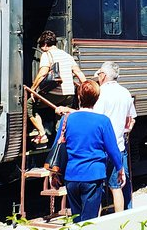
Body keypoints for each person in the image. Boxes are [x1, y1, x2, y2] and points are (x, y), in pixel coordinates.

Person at [53, 80, 125, 222]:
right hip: (93, 177)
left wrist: (54, 173)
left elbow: (57, 147)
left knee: (77, 219)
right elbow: (113, 149)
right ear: (97, 99)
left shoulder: (66, 119)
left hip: (71, 177)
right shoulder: (102, 121)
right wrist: (120, 168)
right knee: (90, 222)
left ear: (79, 97)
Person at [27, 30, 87, 144]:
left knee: (30, 104)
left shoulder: (47, 54)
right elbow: (79, 73)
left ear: (45, 44)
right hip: (69, 94)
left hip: (54, 94)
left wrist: (33, 89)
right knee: (62, 115)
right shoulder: (67, 55)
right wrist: (87, 89)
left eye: (41, 45)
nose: (40, 48)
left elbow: (42, 74)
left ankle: (42, 134)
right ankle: (60, 140)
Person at [93, 61, 137, 212]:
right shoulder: (125, 92)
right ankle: (121, 222)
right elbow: (131, 120)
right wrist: (124, 131)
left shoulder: (100, 93)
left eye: (99, 74)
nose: (98, 77)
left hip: (101, 149)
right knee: (117, 187)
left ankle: (95, 223)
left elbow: (96, 120)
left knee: (96, 189)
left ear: (103, 75)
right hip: (119, 147)